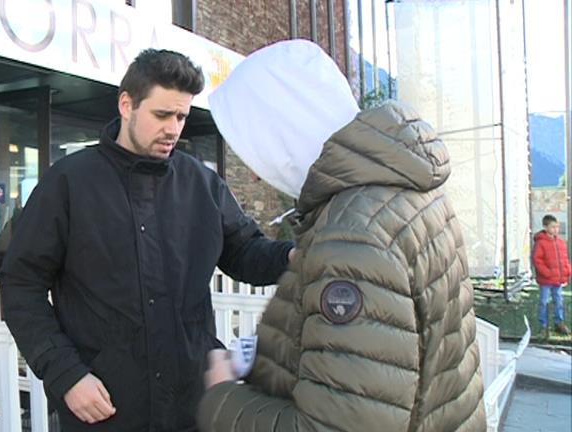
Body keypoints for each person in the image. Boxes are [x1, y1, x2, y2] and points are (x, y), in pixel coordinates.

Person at [0, 48, 294, 432]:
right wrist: (66, 375)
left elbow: (245, 253)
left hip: (193, 404)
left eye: (182, 116)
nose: (173, 128)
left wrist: (294, 256)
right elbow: (21, 285)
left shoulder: (201, 183)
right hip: (104, 407)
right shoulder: (68, 182)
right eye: (162, 115)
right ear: (126, 104)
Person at [198, 40, 486, 432]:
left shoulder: (354, 237)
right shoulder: (409, 190)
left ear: (285, 132)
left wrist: (222, 397)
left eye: (255, 151)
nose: (253, 175)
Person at [532, 214, 571, 335]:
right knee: (544, 301)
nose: (556, 229)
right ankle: (543, 325)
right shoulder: (541, 243)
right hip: (546, 280)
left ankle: (559, 323)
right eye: (553, 227)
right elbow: (537, 260)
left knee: (559, 301)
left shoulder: (560, 242)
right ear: (545, 227)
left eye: (557, 227)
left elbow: (565, 259)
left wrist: (567, 270)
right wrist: (547, 273)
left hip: (558, 280)